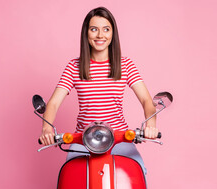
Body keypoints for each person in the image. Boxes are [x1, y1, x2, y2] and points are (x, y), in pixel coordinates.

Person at [39, 7, 158, 174]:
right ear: (86, 34)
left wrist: (150, 125)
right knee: (69, 177)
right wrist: (47, 129)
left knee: (138, 174)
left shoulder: (126, 65)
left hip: (119, 138)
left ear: (112, 34)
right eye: (94, 29)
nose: (100, 35)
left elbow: (147, 100)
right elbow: (53, 103)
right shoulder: (74, 67)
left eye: (106, 29)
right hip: (83, 140)